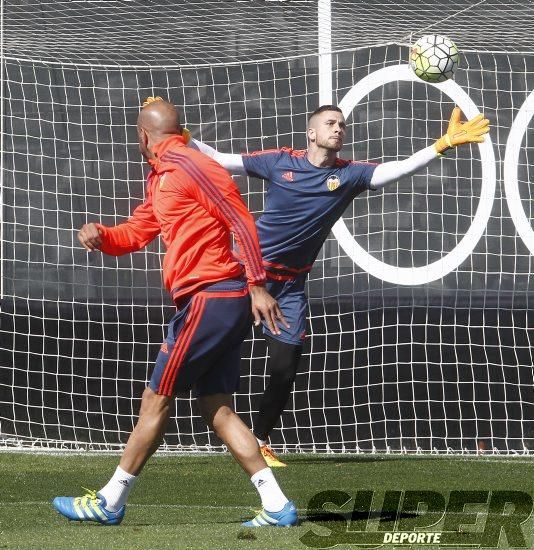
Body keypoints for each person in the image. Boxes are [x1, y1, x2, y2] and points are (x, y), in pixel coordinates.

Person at [192, 105, 490, 467]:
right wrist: (180, 136)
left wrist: (440, 145)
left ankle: (260, 441)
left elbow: (392, 172)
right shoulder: (278, 162)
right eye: (330, 123)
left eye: (342, 125)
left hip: (289, 287)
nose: (338, 129)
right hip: (246, 275)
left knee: (285, 367)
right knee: (207, 352)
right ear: (311, 133)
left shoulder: (347, 175)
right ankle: (168, 409)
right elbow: (220, 160)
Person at [52, 97, 298, 528]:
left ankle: (110, 501)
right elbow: (137, 231)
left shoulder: (190, 164)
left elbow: (240, 219)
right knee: (216, 407)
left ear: (142, 136)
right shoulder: (161, 176)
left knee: (156, 397)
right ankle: (278, 506)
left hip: (212, 296)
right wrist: (102, 235)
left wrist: (258, 283)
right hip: (214, 300)